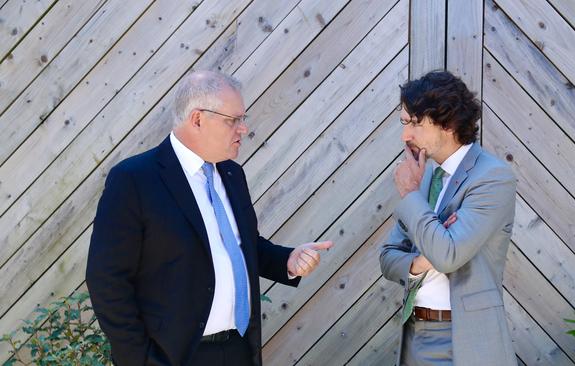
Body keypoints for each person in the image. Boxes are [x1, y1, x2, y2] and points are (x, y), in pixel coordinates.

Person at [86, 70, 333, 366]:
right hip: (174, 357)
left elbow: (242, 245)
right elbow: (106, 280)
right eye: (234, 120)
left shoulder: (230, 173)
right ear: (198, 119)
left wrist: (287, 261)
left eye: (243, 119)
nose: (243, 129)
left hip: (239, 349)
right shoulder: (135, 179)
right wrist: (139, 360)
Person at [379, 70, 517, 365]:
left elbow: (449, 254)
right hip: (414, 336)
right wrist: (422, 261)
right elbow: (388, 258)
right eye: (404, 123)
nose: (405, 135)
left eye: (415, 123)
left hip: (464, 342)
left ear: (449, 122)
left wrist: (410, 195)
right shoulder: (426, 176)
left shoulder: (492, 177)